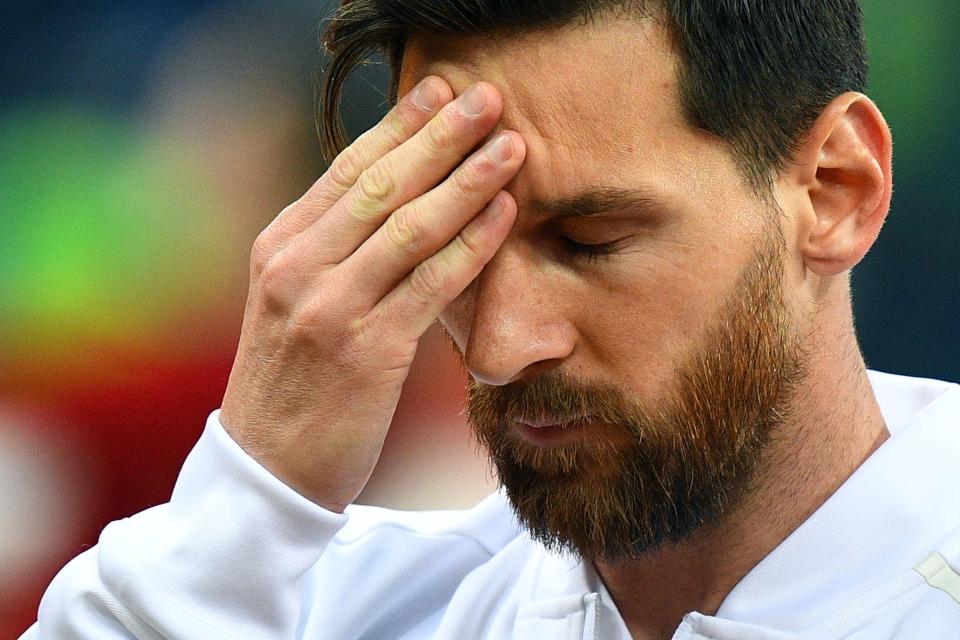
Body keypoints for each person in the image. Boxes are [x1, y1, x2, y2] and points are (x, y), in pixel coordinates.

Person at [22, 1, 960, 639]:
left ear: (836, 190)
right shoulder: (340, 604)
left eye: (590, 239)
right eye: (450, 247)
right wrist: (256, 482)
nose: (503, 348)